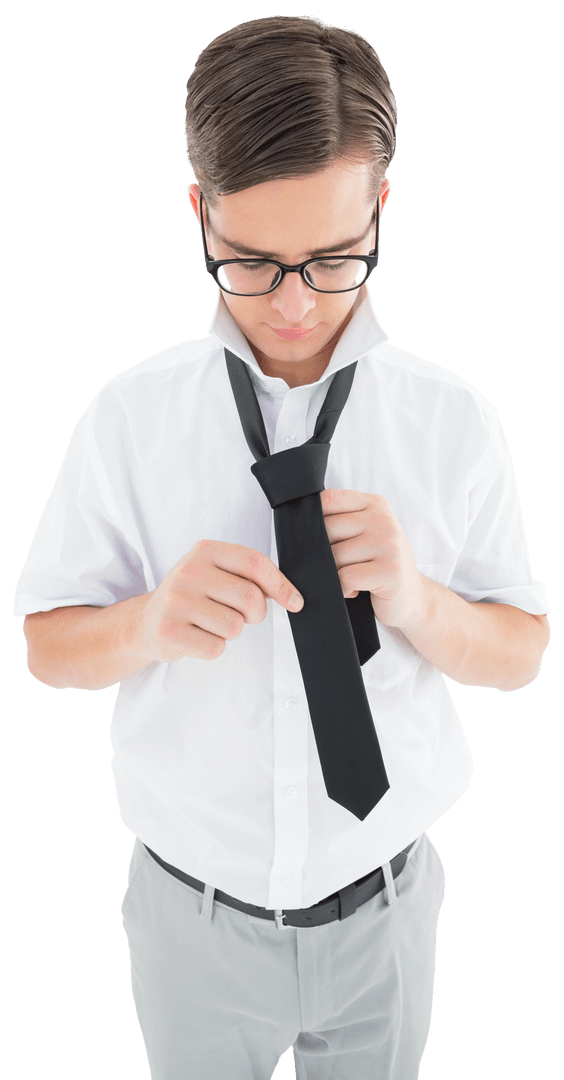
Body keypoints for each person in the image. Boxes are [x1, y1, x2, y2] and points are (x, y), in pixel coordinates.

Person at [13, 14, 551, 1080]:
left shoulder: (456, 420)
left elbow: (522, 651)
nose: (296, 303)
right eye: (251, 264)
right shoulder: (129, 417)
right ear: (199, 215)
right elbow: (47, 645)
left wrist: (414, 598)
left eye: (335, 259)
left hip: (390, 912)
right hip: (190, 923)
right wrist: (146, 622)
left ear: (381, 207)